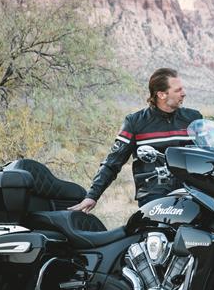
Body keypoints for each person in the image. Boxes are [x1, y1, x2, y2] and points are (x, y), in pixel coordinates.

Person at [70, 68, 203, 212]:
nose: (184, 93)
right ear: (161, 94)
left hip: (191, 191)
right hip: (154, 196)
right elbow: (112, 162)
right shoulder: (135, 122)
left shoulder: (193, 119)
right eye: (178, 90)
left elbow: (212, 153)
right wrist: (92, 195)